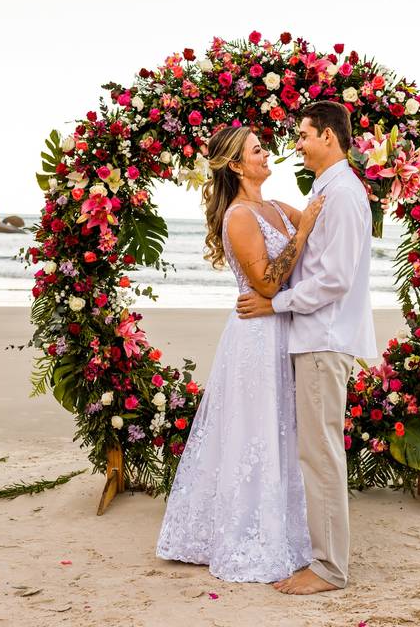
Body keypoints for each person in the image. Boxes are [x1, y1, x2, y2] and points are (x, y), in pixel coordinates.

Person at [156, 126, 325, 583]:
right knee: (254, 431)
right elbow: (267, 283)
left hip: (284, 326)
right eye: (256, 150)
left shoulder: (274, 207)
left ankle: (287, 530)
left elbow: (322, 227)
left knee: (282, 430)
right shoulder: (239, 216)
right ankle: (242, 535)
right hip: (255, 337)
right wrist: (304, 228)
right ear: (235, 165)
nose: (266, 153)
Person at [236, 101, 376, 594]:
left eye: (303, 135)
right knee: (315, 452)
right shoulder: (325, 189)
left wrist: (277, 305)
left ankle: (328, 569)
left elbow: (334, 279)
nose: (295, 144)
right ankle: (323, 557)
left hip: (323, 337)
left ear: (329, 139)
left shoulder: (342, 195)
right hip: (314, 337)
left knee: (320, 455)